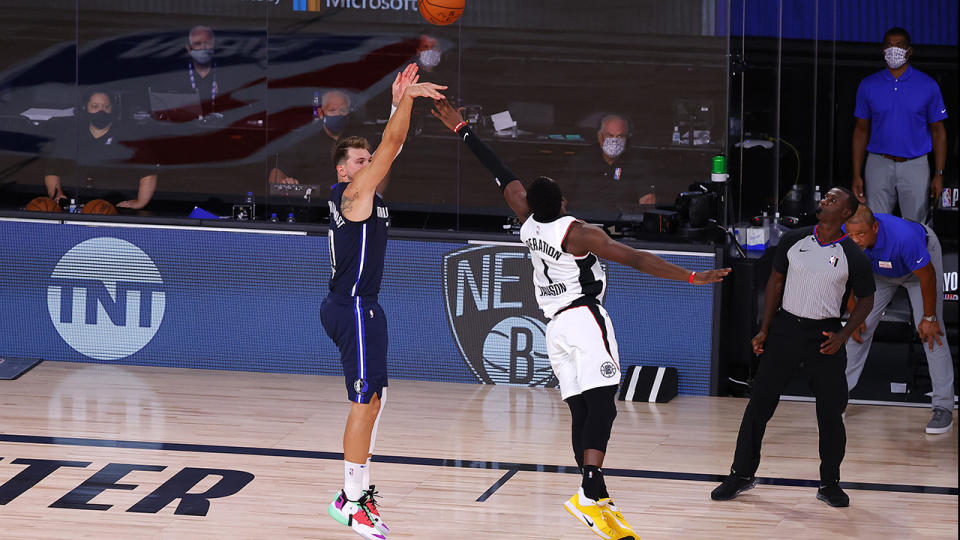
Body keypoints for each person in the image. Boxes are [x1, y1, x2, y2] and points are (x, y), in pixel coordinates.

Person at [431, 98, 730, 540]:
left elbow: (500, 171)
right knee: (605, 402)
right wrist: (690, 276)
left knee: (580, 408)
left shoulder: (526, 221)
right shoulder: (580, 234)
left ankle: (594, 495)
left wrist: (461, 128)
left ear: (531, 203)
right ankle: (590, 489)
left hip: (554, 328)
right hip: (584, 318)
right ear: (565, 201)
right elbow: (639, 259)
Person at [321, 72, 446, 540]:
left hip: (363, 305)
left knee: (376, 399)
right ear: (342, 171)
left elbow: (389, 149)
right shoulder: (352, 196)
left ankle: (355, 491)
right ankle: (351, 501)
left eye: (367, 159)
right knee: (362, 401)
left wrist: (397, 108)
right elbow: (392, 147)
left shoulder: (365, 193)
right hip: (351, 306)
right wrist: (406, 102)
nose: (368, 162)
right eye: (359, 159)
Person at [711, 187, 875, 508]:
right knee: (759, 405)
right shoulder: (793, 238)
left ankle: (830, 483)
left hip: (824, 336)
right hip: (786, 329)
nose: (824, 200)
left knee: (829, 413)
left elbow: (866, 299)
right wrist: (765, 329)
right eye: (824, 196)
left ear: (845, 213)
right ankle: (740, 474)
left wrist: (843, 335)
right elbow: (774, 282)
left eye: (832, 199)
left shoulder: (852, 255)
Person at [844, 205, 954, 433]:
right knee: (856, 329)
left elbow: (928, 278)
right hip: (881, 274)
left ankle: (943, 407)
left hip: (917, 272)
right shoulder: (847, 238)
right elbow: (845, 276)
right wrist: (854, 312)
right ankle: (837, 396)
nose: (855, 240)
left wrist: (930, 317)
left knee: (931, 333)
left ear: (875, 227)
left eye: (861, 234)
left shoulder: (904, 238)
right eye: (851, 234)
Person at [852, 27, 948, 223]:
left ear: (909, 51)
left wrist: (939, 173)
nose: (893, 50)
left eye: (899, 45)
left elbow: (938, 132)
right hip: (878, 163)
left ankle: (916, 256)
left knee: (916, 227)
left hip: (915, 164)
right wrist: (856, 173)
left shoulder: (927, 85)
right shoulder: (869, 85)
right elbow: (861, 131)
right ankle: (881, 256)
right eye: (889, 45)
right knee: (876, 224)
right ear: (882, 50)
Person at [44, 89, 158, 209]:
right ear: (84, 108)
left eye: (106, 106)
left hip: (115, 206)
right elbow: (53, 169)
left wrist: (140, 202)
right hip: (76, 204)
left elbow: (148, 170)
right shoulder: (72, 134)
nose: (101, 111)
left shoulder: (128, 134)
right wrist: (56, 195)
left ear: (112, 108)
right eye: (95, 106)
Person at [565, 114, 656, 218]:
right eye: (610, 135)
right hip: (583, 225)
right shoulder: (582, 160)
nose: (615, 141)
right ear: (600, 137)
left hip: (620, 226)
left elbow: (648, 200)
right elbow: (562, 196)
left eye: (620, 136)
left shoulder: (637, 163)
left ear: (627, 138)